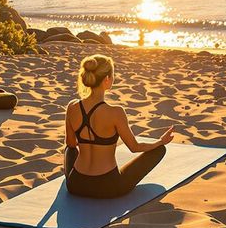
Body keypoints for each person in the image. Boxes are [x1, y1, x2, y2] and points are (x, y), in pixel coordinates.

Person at [63, 54, 175, 198]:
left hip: (75, 185)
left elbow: (70, 144)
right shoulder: (115, 112)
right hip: (108, 187)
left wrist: (86, 140)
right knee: (159, 150)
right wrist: (160, 142)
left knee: (70, 150)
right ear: (107, 80)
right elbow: (134, 147)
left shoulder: (72, 107)